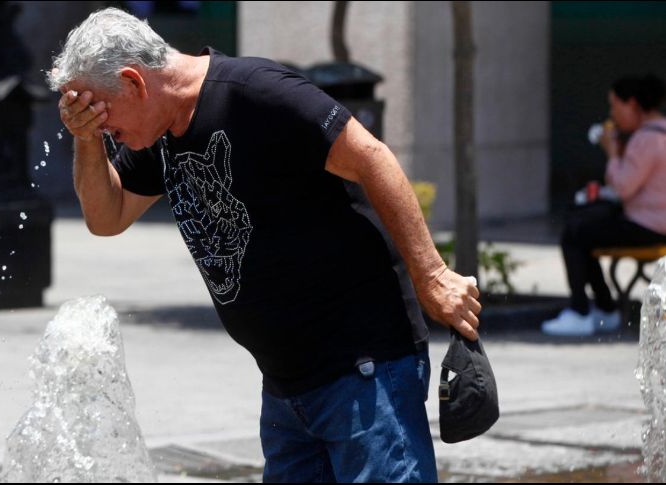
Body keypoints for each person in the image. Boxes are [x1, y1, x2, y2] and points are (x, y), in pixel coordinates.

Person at [49, 8, 481, 482]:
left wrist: (432, 274)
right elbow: (106, 217)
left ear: (134, 82)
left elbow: (372, 158)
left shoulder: (255, 92)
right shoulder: (159, 134)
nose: (103, 128)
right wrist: (85, 140)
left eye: (100, 113)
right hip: (285, 385)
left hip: (364, 367)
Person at [542, 74, 666, 337]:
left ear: (632, 104)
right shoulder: (660, 132)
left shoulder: (646, 138)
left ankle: (581, 310)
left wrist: (611, 150)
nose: (612, 114)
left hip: (648, 227)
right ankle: (604, 306)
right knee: (584, 225)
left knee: (575, 232)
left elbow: (623, 187)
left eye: (614, 105)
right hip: (654, 223)